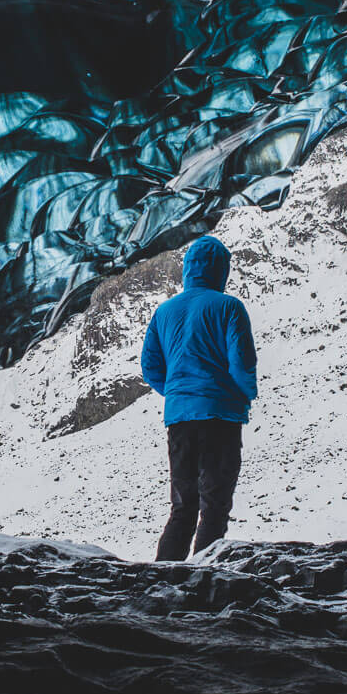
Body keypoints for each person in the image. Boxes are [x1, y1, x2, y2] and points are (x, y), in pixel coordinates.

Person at [139, 234, 258, 560]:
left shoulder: (165, 312)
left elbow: (150, 366)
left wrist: (179, 393)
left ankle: (162, 582)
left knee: (182, 507)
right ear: (221, 270)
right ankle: (202, 584)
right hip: (220, 417)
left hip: (180, 420)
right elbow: (242, 361)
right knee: (214, 507)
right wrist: (245, 394)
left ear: (188, 269)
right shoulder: (229, 307)